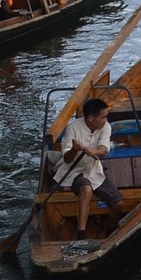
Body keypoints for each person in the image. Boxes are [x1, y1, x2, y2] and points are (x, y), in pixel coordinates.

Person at [55, 97, 121, 239]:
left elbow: (103, 150)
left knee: (118, 203)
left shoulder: (105, 126)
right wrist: (74, 149)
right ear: (91, 118)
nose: (106, 120)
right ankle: (81, 234)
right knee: (86, 189)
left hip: (93, 169)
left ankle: (110, 232)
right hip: (73, 170)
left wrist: (93, 151)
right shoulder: (73, 128)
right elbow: (67, 159)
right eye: (103, 117)